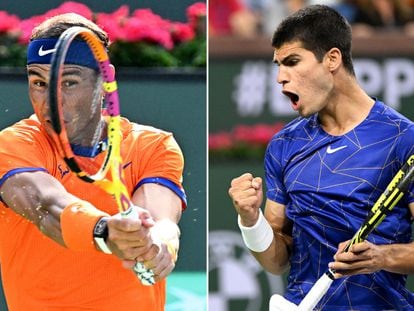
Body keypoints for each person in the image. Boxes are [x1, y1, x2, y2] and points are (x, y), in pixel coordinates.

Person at [228, 5, 414, 310]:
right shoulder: (284, 145)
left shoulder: (404, 138)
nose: (280, 78)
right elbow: (277, 261)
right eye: (278, 64)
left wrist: (384, 257)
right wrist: (250, 221)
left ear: (332, 59)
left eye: (292, 62)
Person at [0, 13, 186, 311]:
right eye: (38, 82)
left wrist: (159, 241)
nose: (50, 100)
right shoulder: (13, 144)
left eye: (69, 82)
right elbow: (47, 207)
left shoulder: (153, 144)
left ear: (104, 79)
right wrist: (104, 231)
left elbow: (160, 217)